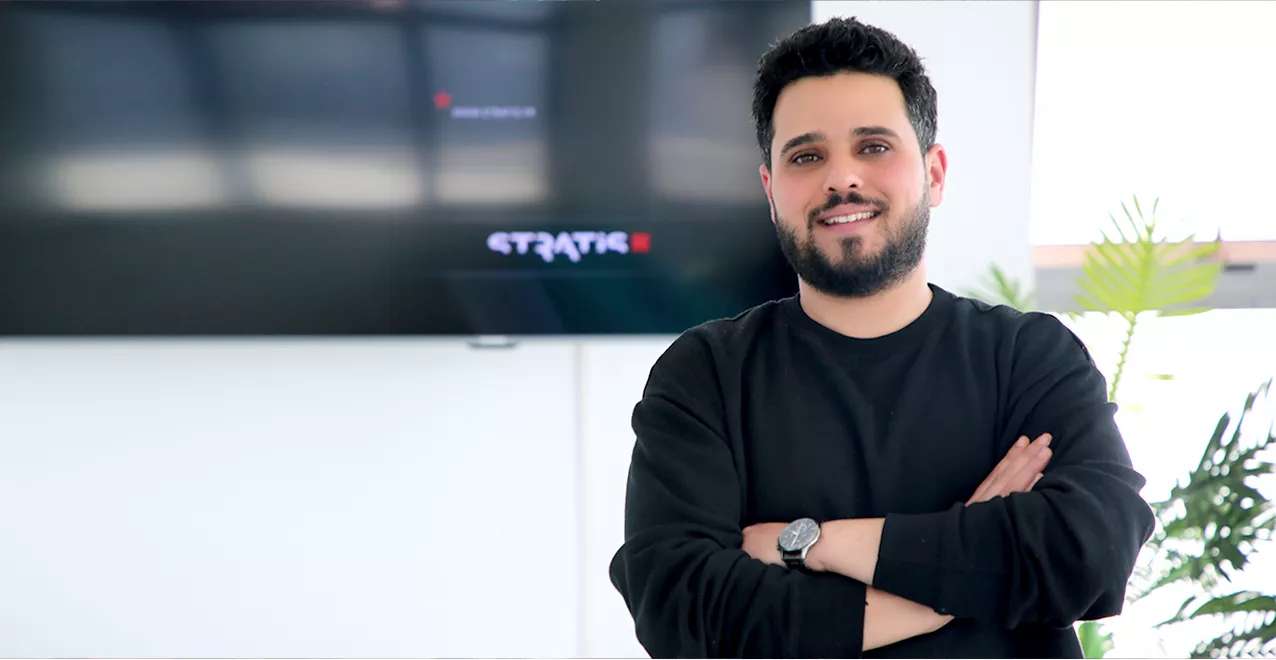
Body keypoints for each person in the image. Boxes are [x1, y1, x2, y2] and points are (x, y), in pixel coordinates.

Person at [607, 15, 1156, 659]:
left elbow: (1090, 555)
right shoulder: (704, 375)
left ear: (935, 173)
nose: (842, 179)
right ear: (770, 190)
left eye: (873, 146)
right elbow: (681, 611)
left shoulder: (1029, 357)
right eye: (807, 156)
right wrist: (962, 566)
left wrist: (811, 543)